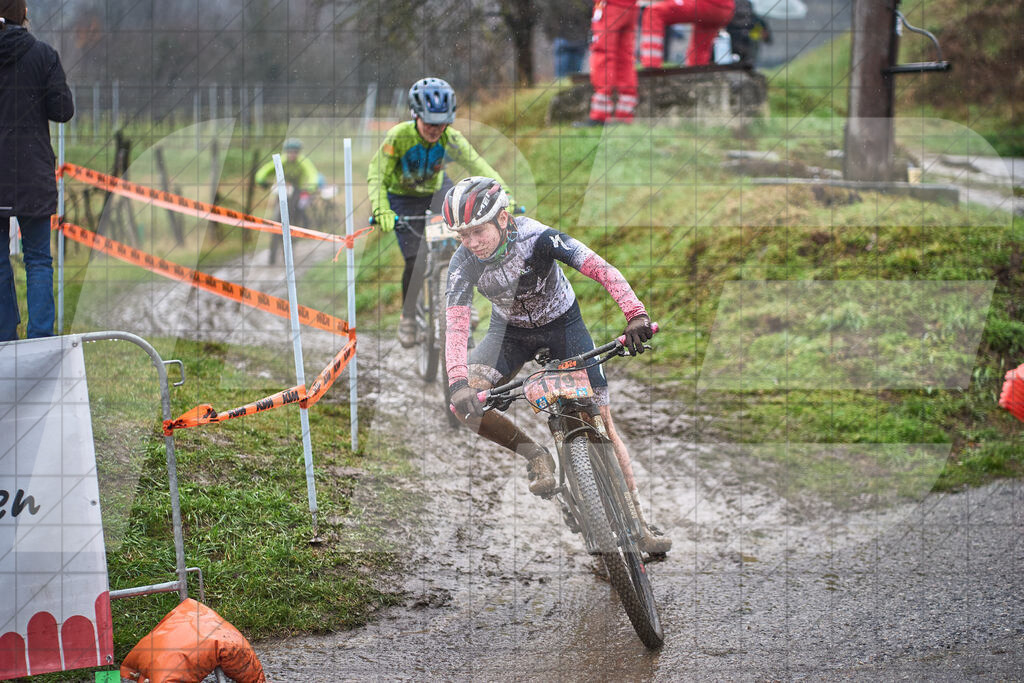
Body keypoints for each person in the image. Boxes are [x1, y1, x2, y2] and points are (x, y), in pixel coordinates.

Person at [442, 176, 671, 555]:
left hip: (563, 326)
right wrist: (457, 381)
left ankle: (638, 523)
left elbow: (599, 268)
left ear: (502, 219)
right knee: (463, 408)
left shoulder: (539, 238)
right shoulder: (463, 262)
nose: (471, 243)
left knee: (603, 420)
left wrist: (635, 314)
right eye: (462, 235)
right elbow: (456, 322)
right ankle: (536, 455)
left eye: (477, 231)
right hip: (508, 335)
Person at [368, 77, 514, 349]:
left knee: (464, 244)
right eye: (429, 123)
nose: (436, 129)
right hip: (402, 198)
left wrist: (503, 196)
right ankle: (408, 317)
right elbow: (377, 174)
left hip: (436, 191)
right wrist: (381, 208)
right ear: (415, 116)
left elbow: (478, 166)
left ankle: (464, 303)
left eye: (442, 123)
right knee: (415, 259)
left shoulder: (451, 138)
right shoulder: (398, 137)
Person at [0, 0, 74, 341]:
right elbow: (62, 110)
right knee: (38, 260)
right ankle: (41, 338)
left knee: (0, 262)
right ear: (24, 15)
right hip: (32, 173)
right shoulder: (44, 55)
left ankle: (4, 337)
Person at [254, 138, 321, 264]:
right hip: (281, 191)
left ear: (299, 153)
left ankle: (290, 251)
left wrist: (312, 186)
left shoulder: (303, 162)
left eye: (295, 152)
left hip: (296, 192)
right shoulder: (281, 160)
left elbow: (312, 174)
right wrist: (261, 180)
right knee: (276, 220)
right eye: (290, 152)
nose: (292, 155)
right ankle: (272, 256)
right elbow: (264, 171)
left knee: (295, 216)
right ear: (286, 152)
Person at [585, 0, 639, 125]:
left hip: (610, 6)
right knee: (625, 58)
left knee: (603, 54)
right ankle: (625, 114)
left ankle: (600, 115)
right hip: (630, 7)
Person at [640, 0, 736, 68]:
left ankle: (651, 65)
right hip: (725, 9)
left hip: (706, 4)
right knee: (700, 50)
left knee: (654, 12)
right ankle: (698, 76)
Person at [541, 0, 593, 78]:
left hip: (565, 38)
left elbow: (548, 15)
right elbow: (592, 15)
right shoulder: (585, 3)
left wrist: (550, 34)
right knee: (574, 77)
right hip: (577, 39)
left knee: (562, 77)